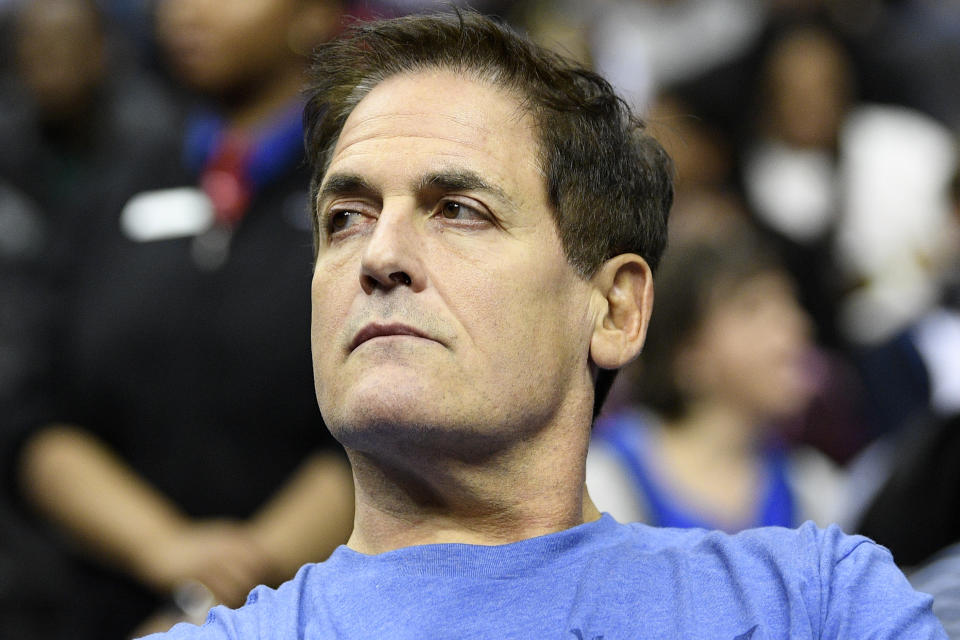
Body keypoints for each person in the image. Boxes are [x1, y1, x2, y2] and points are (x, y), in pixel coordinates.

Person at [146, 10, 946, 639]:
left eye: (457, 210)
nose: (379, 255)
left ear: (616, 308)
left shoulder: (817, 603)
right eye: (346, 217)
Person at [7, 1, 353, 638]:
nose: (187, 11)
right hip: (98, 603)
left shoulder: (360, 194)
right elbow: (35, 414)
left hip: (314, 603)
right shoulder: (113, 187)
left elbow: (392, 420)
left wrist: (222, 592)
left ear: (313, 15)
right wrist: (167, 549)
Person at [586, 227, 846, 532]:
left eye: (789, 304)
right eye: (753, 308)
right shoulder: (605, 481)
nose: (795, 326)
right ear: (687, 354)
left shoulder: (812, 487)